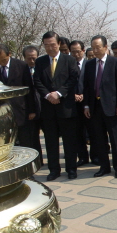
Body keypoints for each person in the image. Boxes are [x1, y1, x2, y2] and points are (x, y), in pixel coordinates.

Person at [33, 31, 80, 181]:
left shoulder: (69, 60)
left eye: (53, 44)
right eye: (46, 45)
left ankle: (71, 169)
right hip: (48, 108)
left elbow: (73, 79)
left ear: (59, 44)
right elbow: (37, 81)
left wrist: (59, 93)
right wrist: (48, 95)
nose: (50, 48)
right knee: (51, 141)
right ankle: (54, 170)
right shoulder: (40, 62)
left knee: (69, 141)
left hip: (66, 107)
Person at [83, 35, 117, 179]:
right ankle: (104, 167)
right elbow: (87, 87)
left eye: (98, 47)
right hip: (95, 107)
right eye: (93, 47)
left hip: (112, 107)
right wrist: (87, 105)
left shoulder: (114, 62)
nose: (95, 50)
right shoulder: (89, 65)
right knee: (99, 140)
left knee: (115, 139)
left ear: (105, 47)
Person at [0, 44, 36, 150]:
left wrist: (32, 110)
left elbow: (29, 89)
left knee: (26, 141)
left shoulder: (21, 65)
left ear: (9, 54)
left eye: (3, 59)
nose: (0, 62)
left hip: (20, 109)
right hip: (0, 110)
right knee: (6, 143)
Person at [69, 39, 91, 167]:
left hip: (88, 102)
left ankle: (96, 155)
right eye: (73, 52)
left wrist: (84, 95)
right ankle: (82, 156)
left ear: (83, 50)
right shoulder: (68, 64)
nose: (76, 54)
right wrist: (74, 95)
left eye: (78, 52)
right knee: (78, 133)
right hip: (73, 104)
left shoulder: (90, 64)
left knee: (93, 131)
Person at [22, 45, 43, 164]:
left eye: (34, 58)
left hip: (45, 108)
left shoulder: (43, 68)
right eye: (29, 58)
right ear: (24, 58)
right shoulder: (21, 70)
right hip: (31, 109)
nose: (32, 61)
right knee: (33, 136)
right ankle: (36, 161)